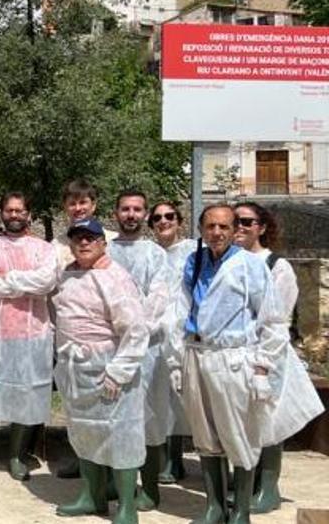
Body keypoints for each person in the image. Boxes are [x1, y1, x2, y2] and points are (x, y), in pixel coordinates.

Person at [179, 203, 285, 524]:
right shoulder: (194, 262)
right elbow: (181, 307)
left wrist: (264, 367)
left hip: (234, 358)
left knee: (239, 434)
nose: (217, 233)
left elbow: (272, 319)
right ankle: (214, 507)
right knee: (205, 433)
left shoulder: (250, 265)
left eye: (224, 226)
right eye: (210, 226)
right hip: (196, 354)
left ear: (234, 228)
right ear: (201, 229)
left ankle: (240, 510)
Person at [52, 217, 149, 524]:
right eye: (78, 237)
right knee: (84, 432)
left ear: (102, 243)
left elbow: (135, 330)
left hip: (108, 367)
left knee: (121, 436)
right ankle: (92, 496)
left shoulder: (115, 277)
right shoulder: (67, 275)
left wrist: (119, 371)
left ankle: (126, 505)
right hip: (75, 369)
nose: (83, 242)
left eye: (90, 238)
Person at [234, 202, 324, 514]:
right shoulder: (229, 262)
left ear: (261, 226)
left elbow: (278, 317)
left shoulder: (277, 266)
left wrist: (262, 358)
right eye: (235, 221)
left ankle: (268, 487)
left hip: (267, 353)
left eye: (246, 221)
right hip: (235, 353)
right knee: (242, 419)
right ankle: (248, 479)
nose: (239, 227)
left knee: (267, 419)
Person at [0, 192, 58, 480]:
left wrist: (6, 279)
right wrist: (25, 281)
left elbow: (46, 282)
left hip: (33, 334)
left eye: (20, 210)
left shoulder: (43, 248)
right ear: (1, 213)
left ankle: (18, 456)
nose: (15, 215)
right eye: (9, 210)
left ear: (28, 214)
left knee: (27, 393)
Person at [105, 190, 177, 511]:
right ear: (115, 213)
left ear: (145, 214)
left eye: (137, 209)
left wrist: (132, 335)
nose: (131, 214)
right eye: (125, 209)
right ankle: (113, 483)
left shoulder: (155, 254)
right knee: (111, 416)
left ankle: (149, 487)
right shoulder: (102, 251)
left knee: (149, 418)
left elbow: (159, 299)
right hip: (107, 348)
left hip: (148, 350)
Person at [150, 201, 193, 483]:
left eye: (169, 216)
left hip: (184, 329)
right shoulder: (150, 253)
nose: (163, 221)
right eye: (157, 218)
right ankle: (164, 459)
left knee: (182, 398)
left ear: (179, 221)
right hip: (155, 330)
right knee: (158, 396)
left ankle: (177, 459)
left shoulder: (193, 250)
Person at [54, 179, 118, 268]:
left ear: (93, 205)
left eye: (82, 202)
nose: (78, 208)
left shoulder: (114, 241)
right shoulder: (56, 246)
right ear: (65, 207)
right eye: (72, 204)